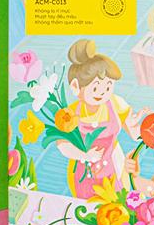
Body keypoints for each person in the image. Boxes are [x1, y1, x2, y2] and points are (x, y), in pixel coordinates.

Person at [56, 39, 148, 198]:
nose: (102, 92)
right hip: (84, 171)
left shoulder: (115, 103)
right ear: (76, 87)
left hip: (114, 166)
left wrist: (139, 126)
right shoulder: (69, 114)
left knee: (118, 201)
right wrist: (85, 156)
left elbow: (134, 134)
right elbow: (62, 144)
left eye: (108, 86)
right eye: (96, 87)